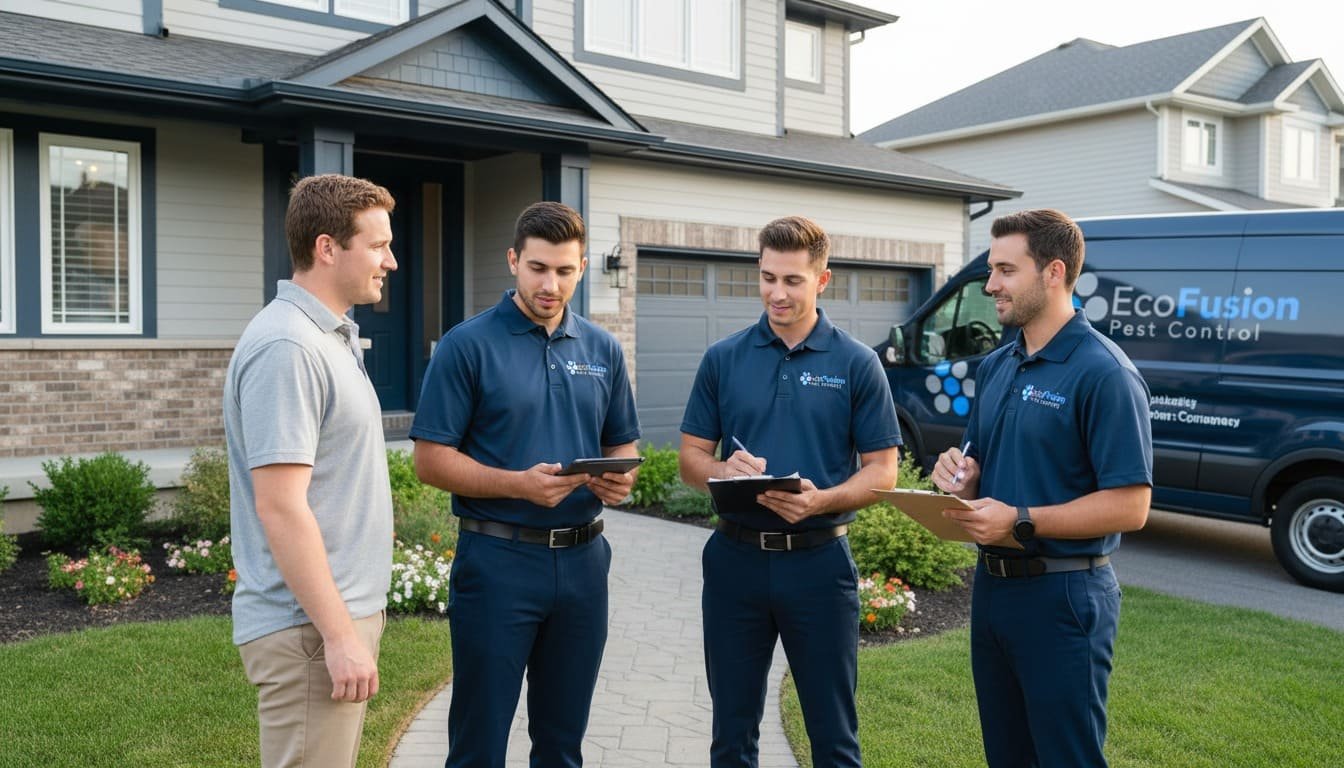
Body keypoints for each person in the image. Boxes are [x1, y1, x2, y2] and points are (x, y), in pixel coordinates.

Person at [411, 201, 640, 768]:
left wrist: (620, 480)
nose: (550, 284)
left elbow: (623, 445)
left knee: (562, 745)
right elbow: (431, 460)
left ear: (582, 268)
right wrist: (518, 484)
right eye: (538, 268)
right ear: (513, 260)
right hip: (497, 562)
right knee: (479, 743)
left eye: (564, 271)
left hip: (585, 565)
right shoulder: (468, 345)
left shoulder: (602, 349)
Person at [931, 208, 1153, 768]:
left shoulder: (1104, 372)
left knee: (1066, 758)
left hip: (1064, 599)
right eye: (991, 270)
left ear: (1054, 272)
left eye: (1006, 270)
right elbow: (977, 464)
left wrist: (1020, 519)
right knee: (1006, 756)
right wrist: (959, 480)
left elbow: (1131, 504)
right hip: (993, 591)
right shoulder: (997, 366)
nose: (990, 285)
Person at [678, 215, 902, 768]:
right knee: (731, 736)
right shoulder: (723, 358)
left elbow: (883, 472)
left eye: (792, 281)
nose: (777, 293)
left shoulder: (856, 363)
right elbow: (689, 460)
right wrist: (723, 470)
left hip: (820, 567)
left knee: (834, 739)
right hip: (735, 564)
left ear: (822, 280)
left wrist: (821, 500)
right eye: (767, 277)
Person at [225, 173, 398, 767]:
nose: (391, 261)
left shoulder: (328, 337)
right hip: (308, 630)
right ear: (328, 248)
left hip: (325, 622)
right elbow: (279, 504)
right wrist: (339, 635)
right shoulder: (289, 346)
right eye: (378, 245)